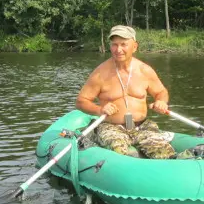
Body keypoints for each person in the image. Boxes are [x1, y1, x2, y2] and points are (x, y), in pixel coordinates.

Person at [75, 25, 176, 159]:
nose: (118, 50)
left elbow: (161, 91)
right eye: (114, 45)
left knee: (164, 153)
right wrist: (100, 109)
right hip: (111, 126)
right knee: (119, 151)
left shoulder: (144, 70)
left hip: (142, 126)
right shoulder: (100, 73)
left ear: (134, 46)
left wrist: (161, 101)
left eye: (124, 44)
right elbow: (81, 101)